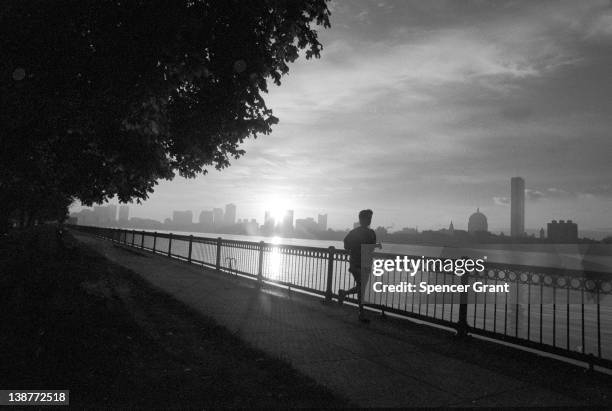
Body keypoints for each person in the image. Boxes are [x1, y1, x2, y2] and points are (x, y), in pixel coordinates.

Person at [338, 209, 378, 322]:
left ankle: (344, 294)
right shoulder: (357, 232)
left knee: (361, 288)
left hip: (365, 263)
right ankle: (361, 313)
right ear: (361, 219)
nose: (369, 220)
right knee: (361, 287)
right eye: (367, 218)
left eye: (370, 218)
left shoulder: (371, 233)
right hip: (356, 263)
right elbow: (346, 244)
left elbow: (371, 247)